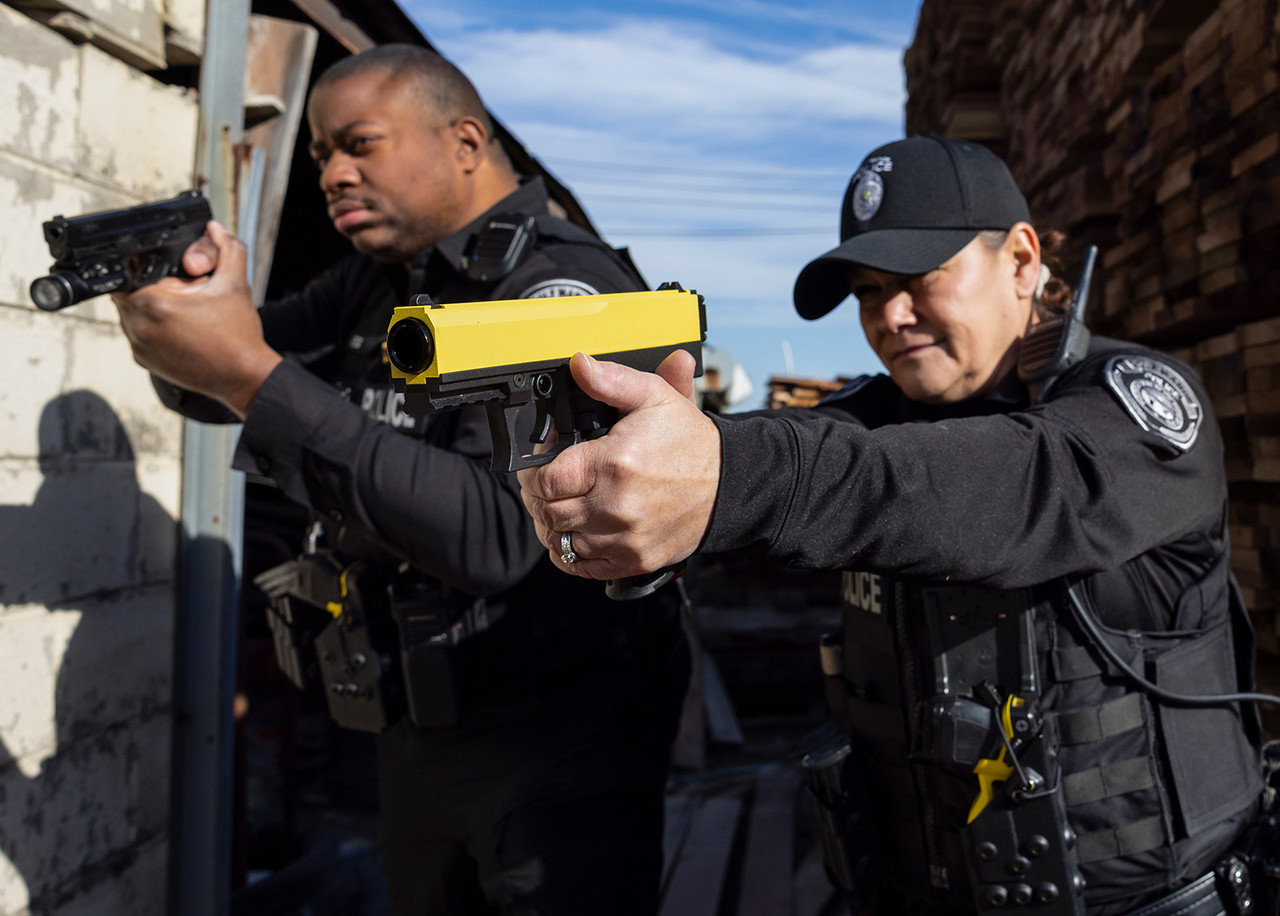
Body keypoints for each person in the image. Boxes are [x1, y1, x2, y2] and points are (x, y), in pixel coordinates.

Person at [519, 135, 1271, 915]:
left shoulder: (1134, 405)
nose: (891, 315)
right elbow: (794, 449)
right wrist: (641, 469)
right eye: (869, 292)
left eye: (919, 278)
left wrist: (727, 476)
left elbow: (999, 484)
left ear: (1021, 261)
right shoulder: (877, 415)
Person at [112, 44, 690, 915]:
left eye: (360, 144)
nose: (332, 175)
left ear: (466, 141)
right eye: (320, 156)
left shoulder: (560, 292)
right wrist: (172, 310)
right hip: (417, 722)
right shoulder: (379, 281)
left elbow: (501, 538)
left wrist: (247, 375)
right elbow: (213, 375)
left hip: (556, 744)